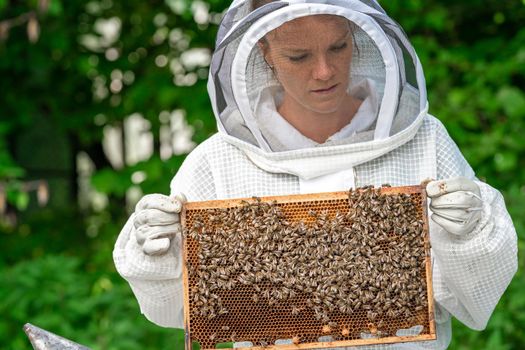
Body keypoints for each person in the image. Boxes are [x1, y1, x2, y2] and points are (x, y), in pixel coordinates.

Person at [113, 0, 518, 349]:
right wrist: (160, 251)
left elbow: (475, 297)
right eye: (299, 56)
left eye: (338, 47)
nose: (324, 71)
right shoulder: (217, 162)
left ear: (358, 37)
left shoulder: (423, 140)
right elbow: (174, 309)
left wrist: (468, 233)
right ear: (264, 53)